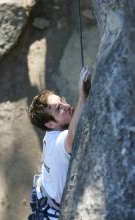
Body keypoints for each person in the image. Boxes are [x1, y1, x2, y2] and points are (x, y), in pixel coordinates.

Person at [28, 67, 91, 220]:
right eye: (58, 108)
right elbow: (72, 135)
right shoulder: (59, 141)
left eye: (62, 100)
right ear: (50, 124)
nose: (66, 105)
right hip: (51, 210)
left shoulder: (49, 135)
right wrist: (82, 97)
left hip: (43, 195)